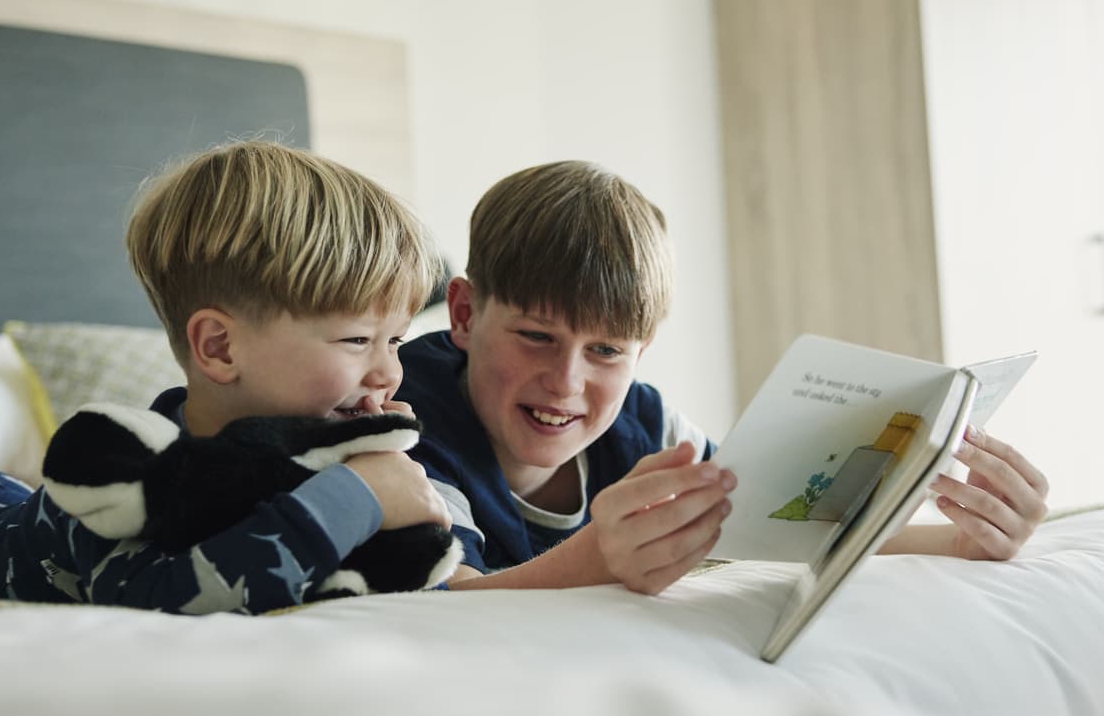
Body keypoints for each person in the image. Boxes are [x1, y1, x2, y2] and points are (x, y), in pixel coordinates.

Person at [0, 140, 454, 613]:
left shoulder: (314, 458)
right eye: (358, 340)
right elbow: (170, 595)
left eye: (395, 339)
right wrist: (357, 498)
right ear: (219, 347)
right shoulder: (123, 475)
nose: (389, 371)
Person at [396, 160, 1051, 594]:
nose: (566, 381)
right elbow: (450, 599)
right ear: (464, 313)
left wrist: (961, 542)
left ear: (642, 350)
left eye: (606, 351)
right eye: (537, 337)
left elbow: (772, 529)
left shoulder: (644, 425)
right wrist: (596, 562)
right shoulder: (403, 425)